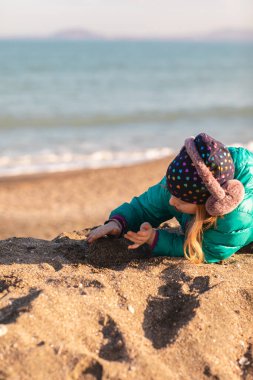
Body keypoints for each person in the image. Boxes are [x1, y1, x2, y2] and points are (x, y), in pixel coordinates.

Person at [87, 133, 253, 264]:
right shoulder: (180, 183)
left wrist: (155, 239)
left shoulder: (236, 218)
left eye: (181, 200)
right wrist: (118, 223)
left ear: (210, 204)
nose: (172, 202)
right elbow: (145, 207)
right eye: (171, 191)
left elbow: (207, 251)